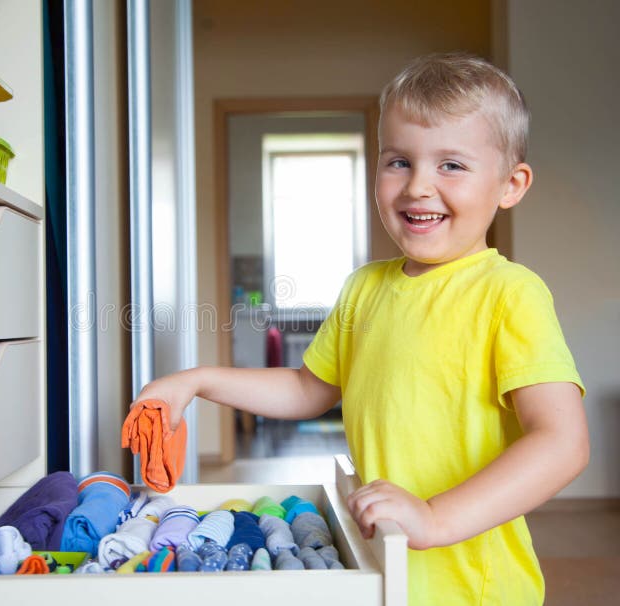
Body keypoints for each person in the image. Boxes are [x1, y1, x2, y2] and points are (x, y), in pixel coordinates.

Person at [133, 52, 589, 605]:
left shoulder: (509, 294)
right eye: (398, 161)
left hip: (469, 587)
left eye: (451, 165)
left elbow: (561, 443)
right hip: (385, 567)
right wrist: (198, 381)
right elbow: (308, 389)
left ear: (510, 185)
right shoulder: (364, 288)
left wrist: (433, 518)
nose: (418, 185)